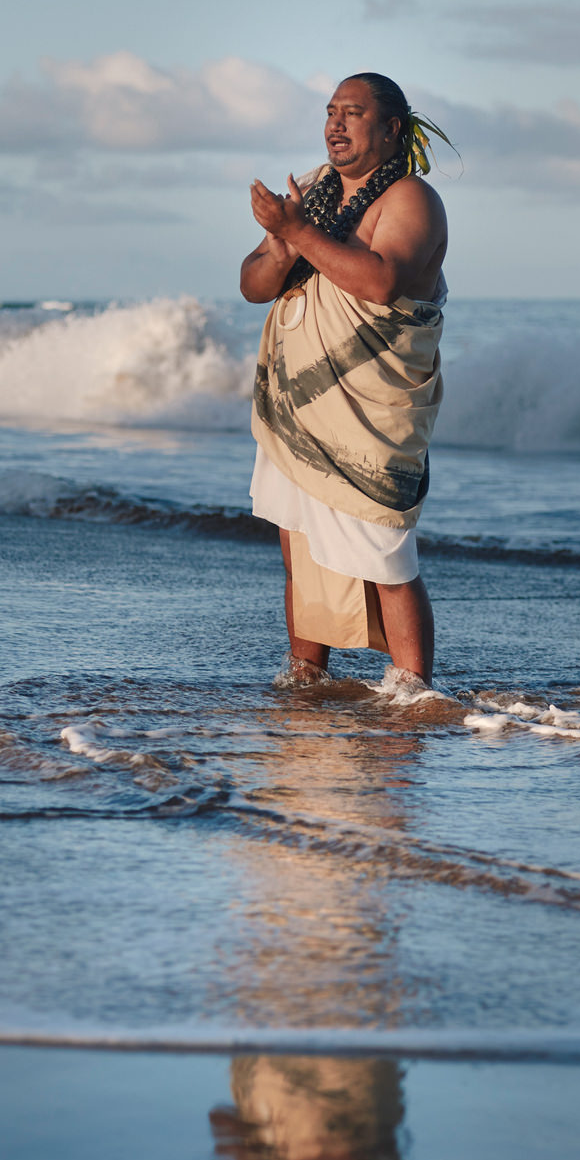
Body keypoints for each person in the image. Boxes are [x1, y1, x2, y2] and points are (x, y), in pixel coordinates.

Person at [240, 73, 451, 699]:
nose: (335, 123)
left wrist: (299, 231)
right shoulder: (311, 192)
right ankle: (306, 674)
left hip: (369, 410)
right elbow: (253, 284)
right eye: (331, 111)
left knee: (385, 554)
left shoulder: (412, 200)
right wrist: (281, 243)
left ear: (391, 128)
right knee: (298, 543)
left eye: (352, 113)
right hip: (300, 407)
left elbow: (382, 282)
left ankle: (413, 690)